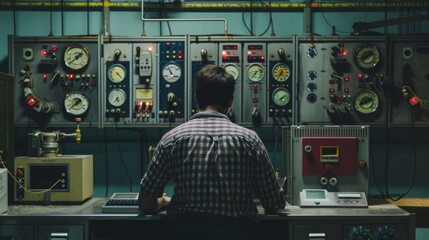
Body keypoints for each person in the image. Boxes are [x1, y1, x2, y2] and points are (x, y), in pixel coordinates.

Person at [138, 64, 286, 240]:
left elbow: (145, 202)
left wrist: (162, 201)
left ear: (196, 97)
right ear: (230, 101)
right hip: (239, 233)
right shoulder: (250, 140)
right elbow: (274, 203)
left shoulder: (172, 139)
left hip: (187, 233)